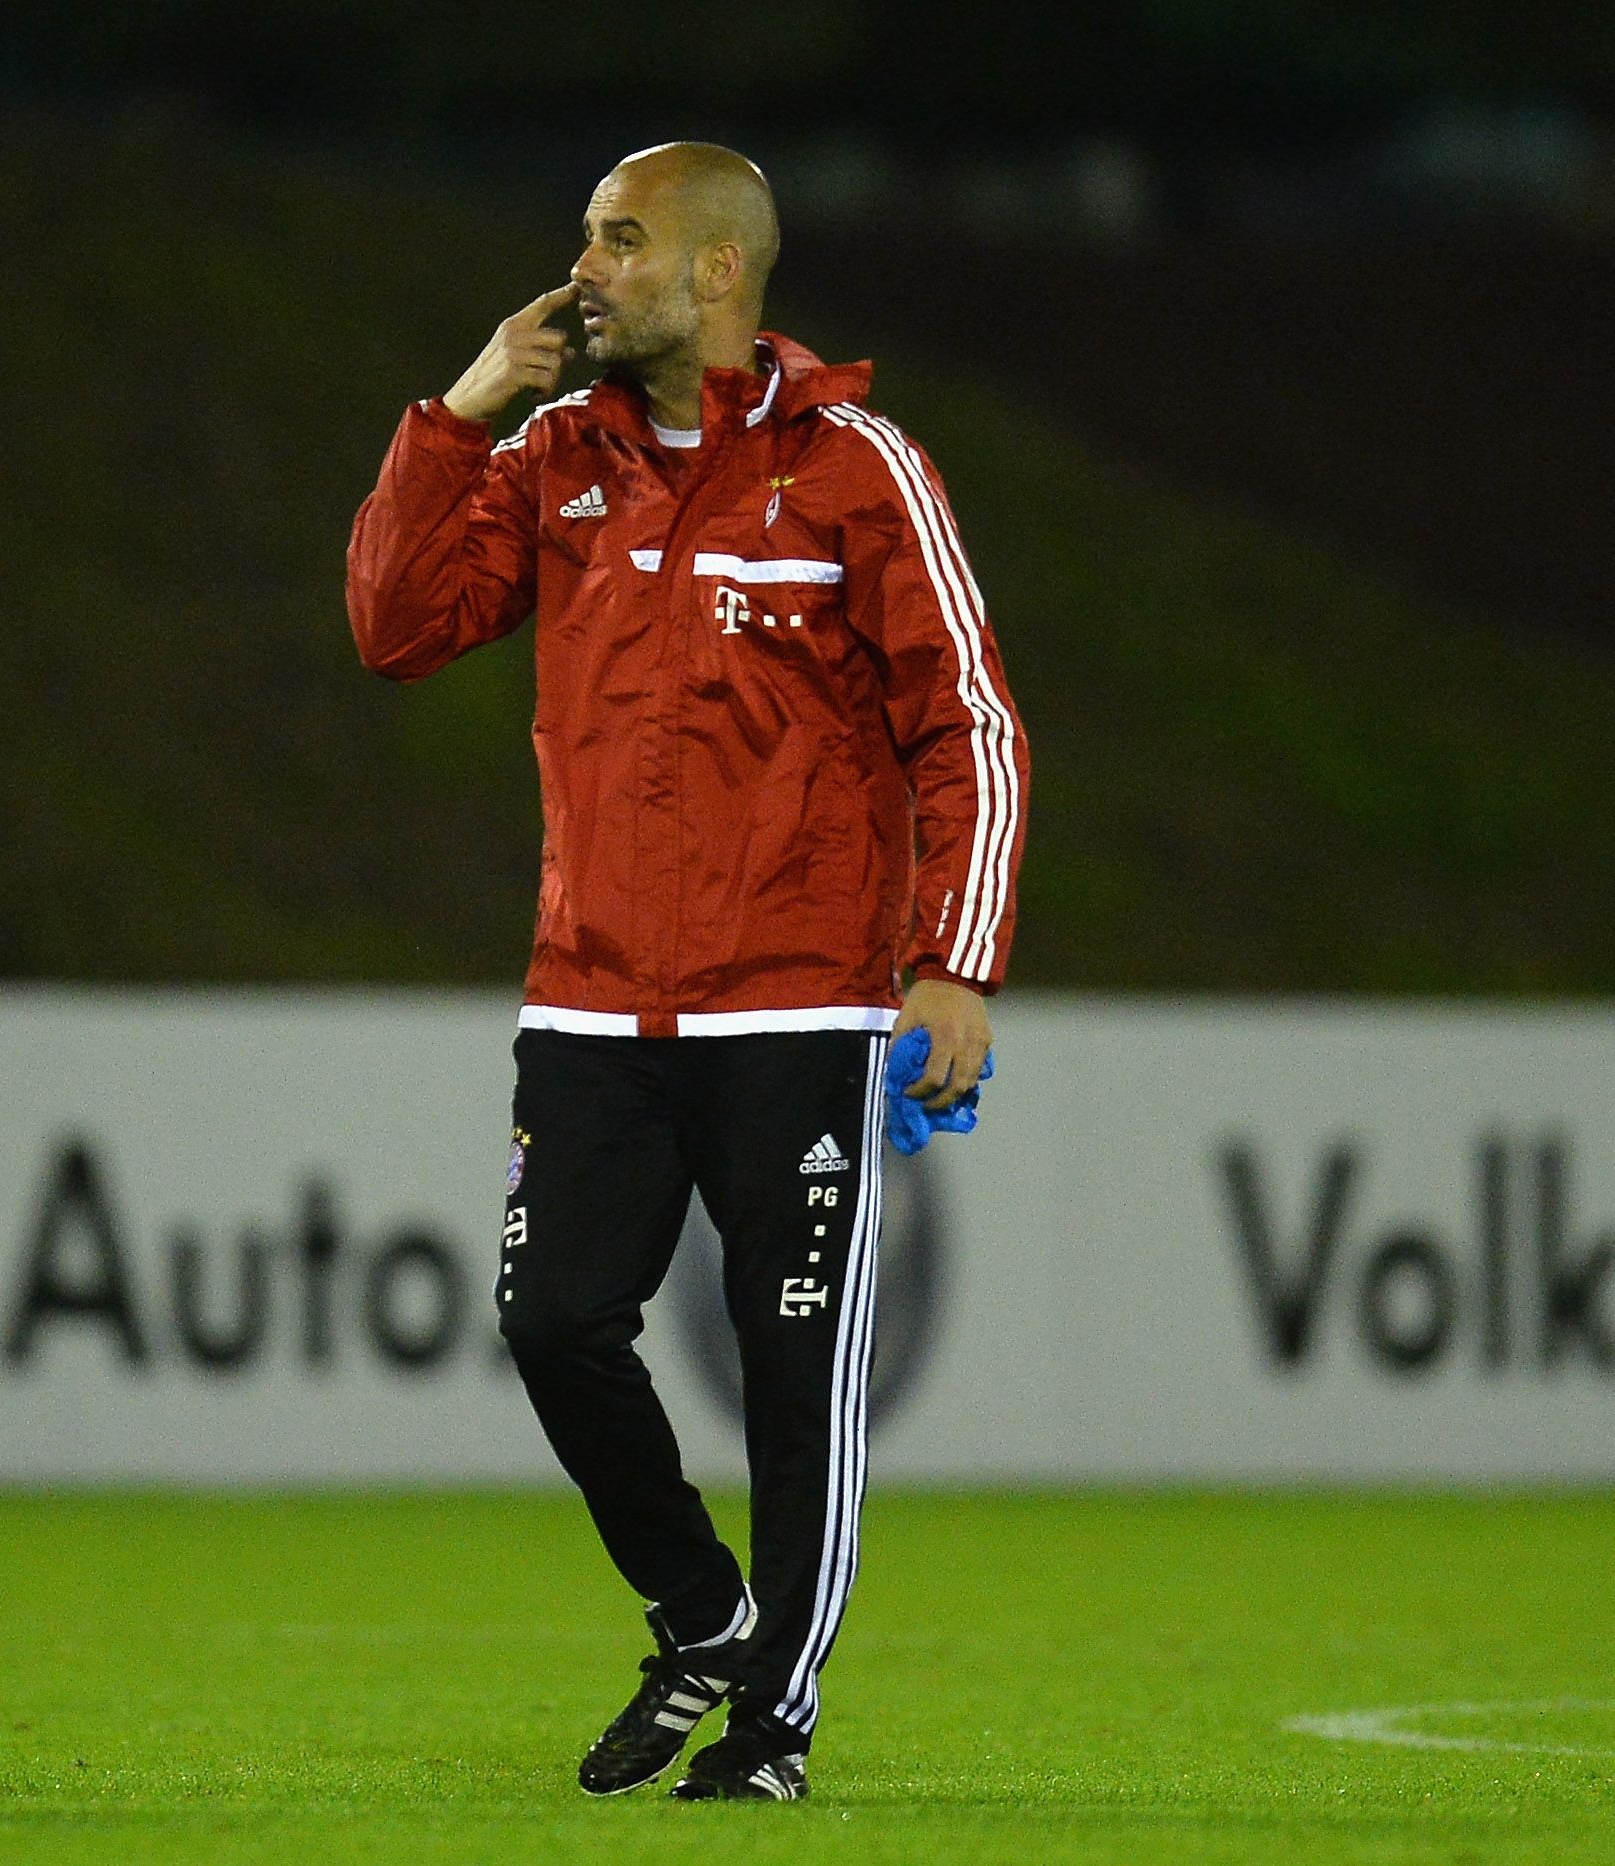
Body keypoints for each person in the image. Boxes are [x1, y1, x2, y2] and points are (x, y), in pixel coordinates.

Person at [345, 142, 1026, 1802]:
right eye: (586, 235)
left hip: (798, 1003)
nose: (587, 267)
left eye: (621, 239)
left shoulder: (856, 467)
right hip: (592, 1000)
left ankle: (772, 1725)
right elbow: (394, 624)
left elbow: (968, 726)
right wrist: (463, 409)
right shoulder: (555, 458)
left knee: (796, 1374)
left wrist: (953, 962)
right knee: (551, 1322)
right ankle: (705, 1613)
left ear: (719, 270)